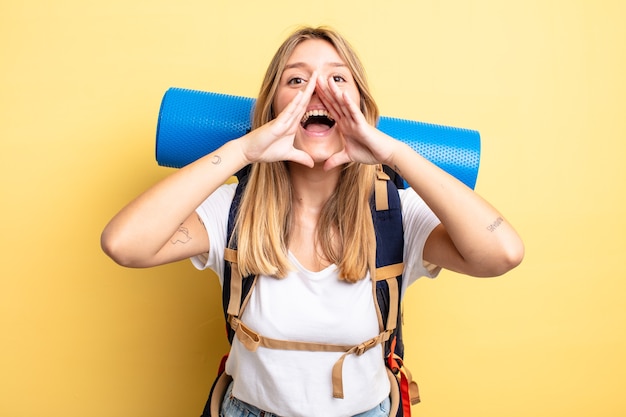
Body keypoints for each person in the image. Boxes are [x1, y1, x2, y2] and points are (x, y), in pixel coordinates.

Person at [101, 26, 524, 417]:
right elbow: (124, 244)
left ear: (360, 109)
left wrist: (395, 154)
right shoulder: (232, 210)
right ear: (273, 109)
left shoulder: (396, 214)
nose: (319, 91)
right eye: (297, 80)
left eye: (338, 80)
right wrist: (241, 152)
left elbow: (503, 253)